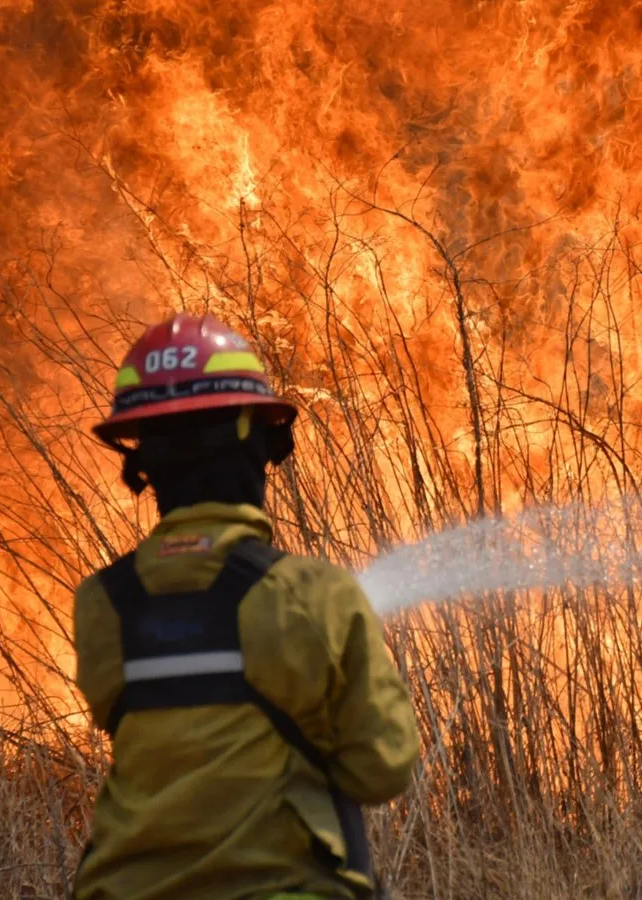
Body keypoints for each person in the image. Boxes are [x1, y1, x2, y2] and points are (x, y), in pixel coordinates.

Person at [71, 313, 420, 900]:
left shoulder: (101, 605)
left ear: (143, 461)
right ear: (255, 442)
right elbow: (380, 768)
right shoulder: (314, 596)